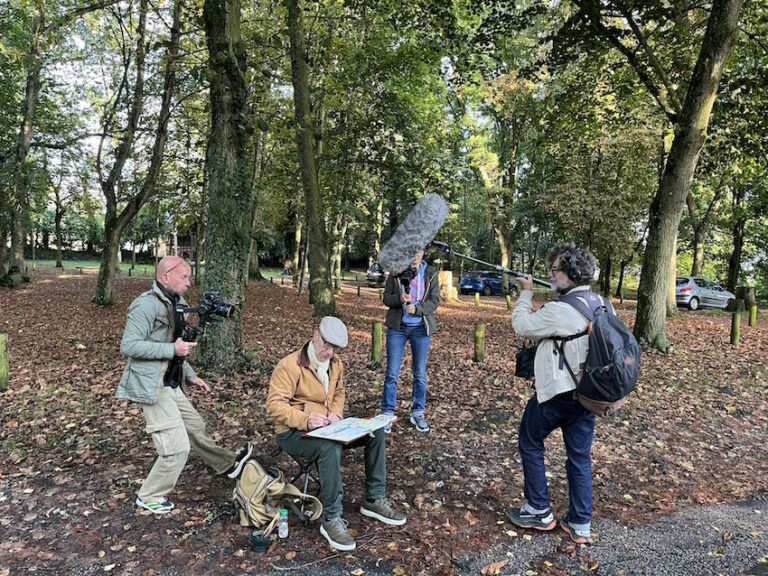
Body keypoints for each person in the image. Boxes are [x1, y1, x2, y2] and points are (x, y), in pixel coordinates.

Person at [117, 255, 252, 514]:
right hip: (151, 385)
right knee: (177, 447)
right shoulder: (145, 306)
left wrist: (189, 374)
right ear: (165, 276)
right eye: (184, 277)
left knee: (195, 426)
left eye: (189, 277)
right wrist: (172, 349)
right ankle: (150, 495)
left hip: (171, 380)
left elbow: (178, 346)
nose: (189, 282)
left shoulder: (178, 303)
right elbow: (129, 346)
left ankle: (227, 464)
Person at [266, 316, 406, 551]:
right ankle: (331, 518)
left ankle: (373, 498)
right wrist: (306, 420)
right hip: (293, 433)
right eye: (326, 345)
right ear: (315, 336)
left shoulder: (336, 364)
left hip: (328, 428)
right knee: (328, 447)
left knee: (376, 432)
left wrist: (337, 414)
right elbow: (274, 406)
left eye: (335, 348)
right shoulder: (289, 365)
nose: (329, 352)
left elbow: (338, 392)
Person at [506, 244, 599, 545]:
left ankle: (538, 510)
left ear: (571, 274)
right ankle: (580, 523)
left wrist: (526, 293)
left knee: (530, 441)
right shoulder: (599, 302)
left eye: (555, 270)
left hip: (557, 393)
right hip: (588, 394)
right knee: (579, 456)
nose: (550, 274)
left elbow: (522, 326)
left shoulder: (561, 310)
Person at [380, 249, 440, 432]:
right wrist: (399, 299)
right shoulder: (397, 271)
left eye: (418, 252)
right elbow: (386, 298)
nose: (415, 256)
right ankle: (387, 413)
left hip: (421, 329)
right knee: (392, 372)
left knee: (420, 373)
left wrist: (419, 309)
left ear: (423, 253)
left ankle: (417, 412)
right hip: (397, 328)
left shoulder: (430, 273)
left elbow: (435, 300)